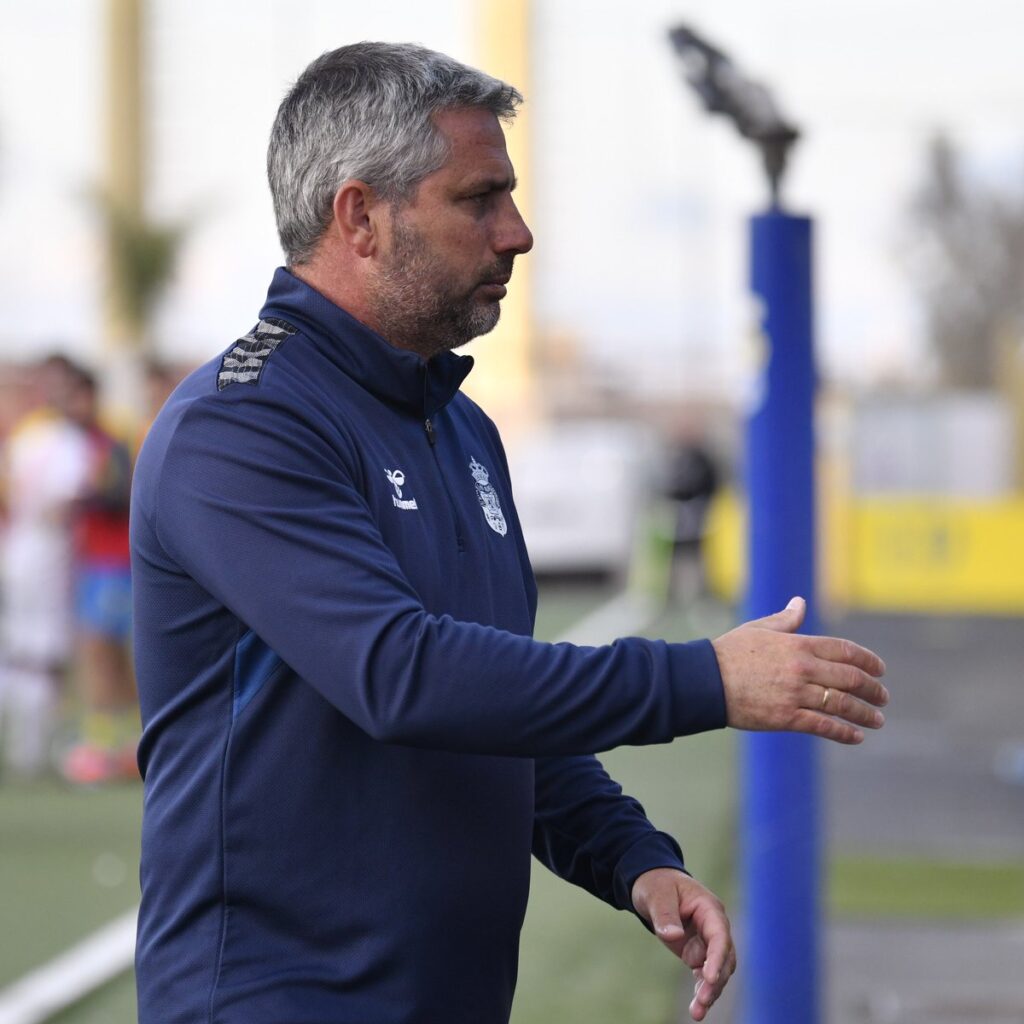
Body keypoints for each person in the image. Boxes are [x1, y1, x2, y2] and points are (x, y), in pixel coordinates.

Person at [131, 42, 888, 1024]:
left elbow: (494, 706)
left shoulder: (460, 428)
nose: (517, 234)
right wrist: (706, 677)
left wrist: (630, 856)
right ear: (359, 216)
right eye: (478, 198)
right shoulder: (242, 426)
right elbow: (402, 674)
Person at [0, 354, 91, 776]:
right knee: (43, 653)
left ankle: (22, 747)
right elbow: (62, 506)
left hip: (17, 547)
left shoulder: (25, 439)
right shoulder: (65, 442)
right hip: (48, 553)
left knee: (18, 647)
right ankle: (32, 750)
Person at [61, 366, 139, 784]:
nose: (69, 405)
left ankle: (105, 743)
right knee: (103, 652)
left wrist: (83, 497)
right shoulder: (74, 443)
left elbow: (120, 496)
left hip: (111, 561)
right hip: (93, 561)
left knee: (102, 650)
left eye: (74, 396)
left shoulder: (109, 444)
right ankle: (123, 741)